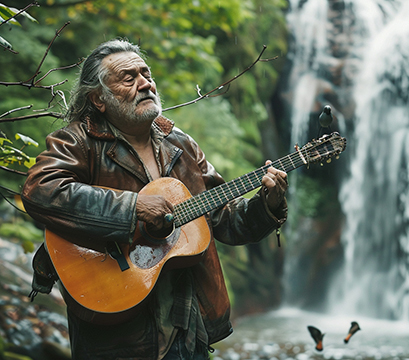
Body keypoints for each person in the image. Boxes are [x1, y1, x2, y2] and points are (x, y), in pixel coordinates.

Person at [21, 39, 288, 360]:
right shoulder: (79, 141)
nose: (144, 83)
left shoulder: (183, 146)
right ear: (98, 99)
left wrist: (267, 205)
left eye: (146, 74)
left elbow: (228, 223)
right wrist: (133, 209)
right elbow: (42, 190)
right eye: (128, 77)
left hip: (188, 325)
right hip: (116, 334)